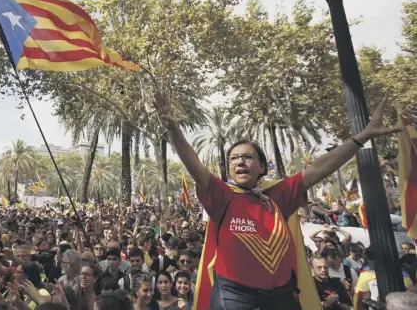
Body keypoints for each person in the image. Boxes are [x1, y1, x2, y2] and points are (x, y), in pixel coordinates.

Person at [155, 92, 403, 310]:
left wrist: (362, 137)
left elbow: (321, 167)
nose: (240, 162)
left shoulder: (278, 196)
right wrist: (174, 130)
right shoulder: (220, 195)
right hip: (234, 296)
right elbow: (193, 164)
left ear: (261, 166)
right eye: (234, 158)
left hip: (283, 296)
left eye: (248, 157)